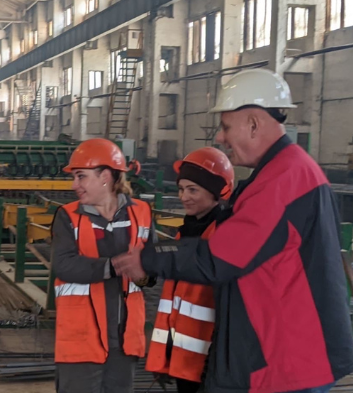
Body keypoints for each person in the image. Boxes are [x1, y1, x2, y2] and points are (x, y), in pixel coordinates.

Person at [116, 68, 353, 393]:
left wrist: (148, 257)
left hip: (287, 359)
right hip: (284, 351)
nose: (220, 138)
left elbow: (220, 257)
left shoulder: (283, 179)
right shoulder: (288, 171)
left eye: (226, 127)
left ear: (253, 124)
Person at [52, 138, 156, 393]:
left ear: (105, 177)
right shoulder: (68, 216)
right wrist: (113, 266)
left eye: (81, 176)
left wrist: (143, 275)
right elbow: (63, 265)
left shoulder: (141, 213)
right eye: (74, 177)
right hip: (82, 339)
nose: (74, 185)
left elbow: (153, 271)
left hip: (125, 339)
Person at [145, 147, 234, 393]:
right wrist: (166, 354)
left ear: (218, 192)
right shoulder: (185, 233)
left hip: (212, 364)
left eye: (193, 190)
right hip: (185, 360)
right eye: (181, 189)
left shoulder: (224, 236)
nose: (184, 197)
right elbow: (175, 302)